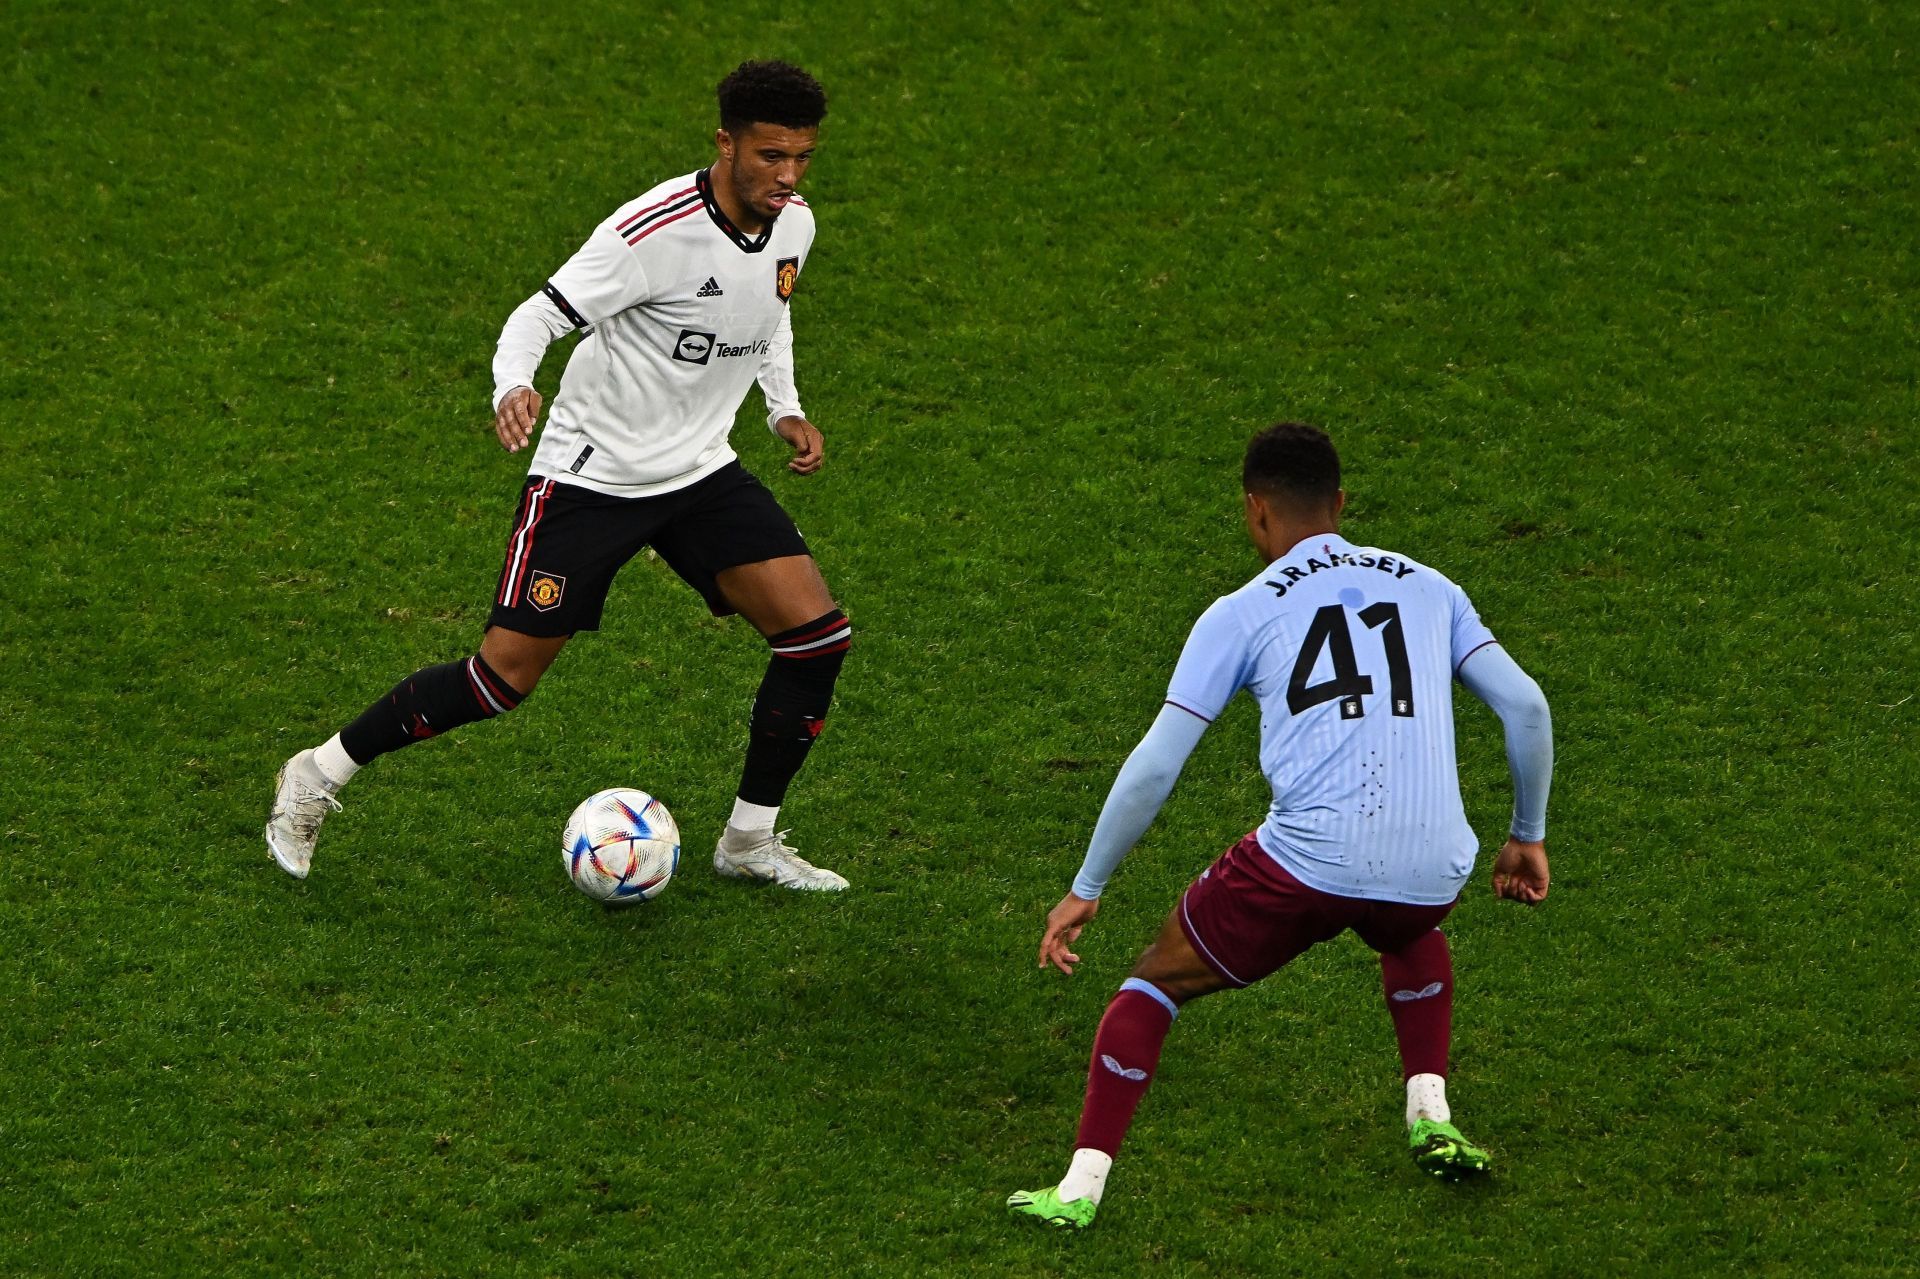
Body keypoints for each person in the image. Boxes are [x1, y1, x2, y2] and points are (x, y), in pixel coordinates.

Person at [266, 60, 853, 892]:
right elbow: (537, 315)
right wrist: (514, 383)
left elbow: (769, 314)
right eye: (769, 157)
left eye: (802, 158)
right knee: (500, 680)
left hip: (696, 469)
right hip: (592, 474)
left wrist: (780, 409)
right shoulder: (650, 233)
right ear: (725, 143)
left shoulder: (793, 223)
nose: (787, 177)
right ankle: (317, 774)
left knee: (815, 636)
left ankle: (748, 841)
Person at [1007, 422, 1554, 1228]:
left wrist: (1086, 886)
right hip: (1435, 864)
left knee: (1153, 980)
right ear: (1340, 501)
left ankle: (1078, 1191)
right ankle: (1430, 1110)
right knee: (1405, 928)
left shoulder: (1241, 611)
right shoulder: (1434, 587)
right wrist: (1527, 833)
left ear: (1255, 512)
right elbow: (1527, 706)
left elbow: (1158, 763)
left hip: (1306, 864)